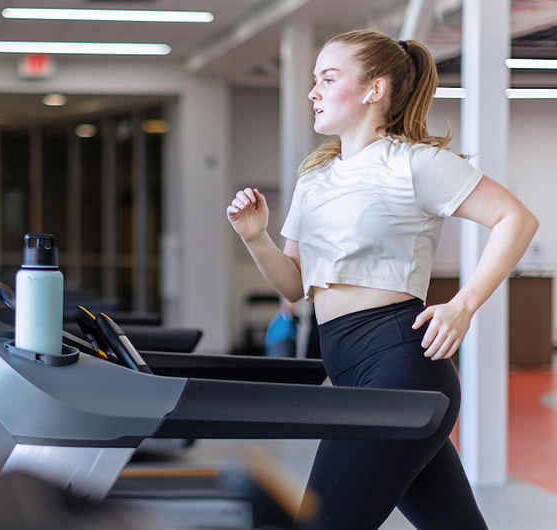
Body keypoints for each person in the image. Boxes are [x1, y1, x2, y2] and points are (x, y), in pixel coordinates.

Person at [226, 29, 538, 530]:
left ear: (375, 89)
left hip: (401, 365)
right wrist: (255, 237)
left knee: (322, 523)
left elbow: (516, 220)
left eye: (328, 79)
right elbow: (293, 285)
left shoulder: (415, 164)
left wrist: (463, 305)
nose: (314, 92)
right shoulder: (314, 178)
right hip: (350, 368)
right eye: (314, 80)